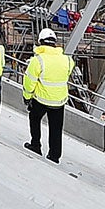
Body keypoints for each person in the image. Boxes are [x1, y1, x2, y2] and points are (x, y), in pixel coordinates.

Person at [21, 29, 73, 162]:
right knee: (56, 128)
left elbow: (29, 82)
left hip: (41, 99)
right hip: (59, 101)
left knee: (34, 118)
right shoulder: (67, 60)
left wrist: (27, 98)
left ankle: (35, 145)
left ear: (40, 43)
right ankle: (54, 156)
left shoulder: (37, 60)